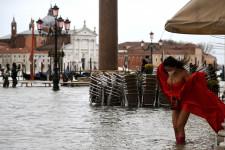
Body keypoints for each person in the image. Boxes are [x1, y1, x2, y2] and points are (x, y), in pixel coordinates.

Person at [157, 56, 225, 144]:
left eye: (169, 69)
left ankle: (181, 146)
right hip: (175, 102)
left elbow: (192, 85)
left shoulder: (183, 73)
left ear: (174, 67)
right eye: (167, 70)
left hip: (186, 101)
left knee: (180, 126)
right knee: (175, 127)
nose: (168, 71)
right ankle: (178, 146)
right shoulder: (169, 73)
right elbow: (161, 68)